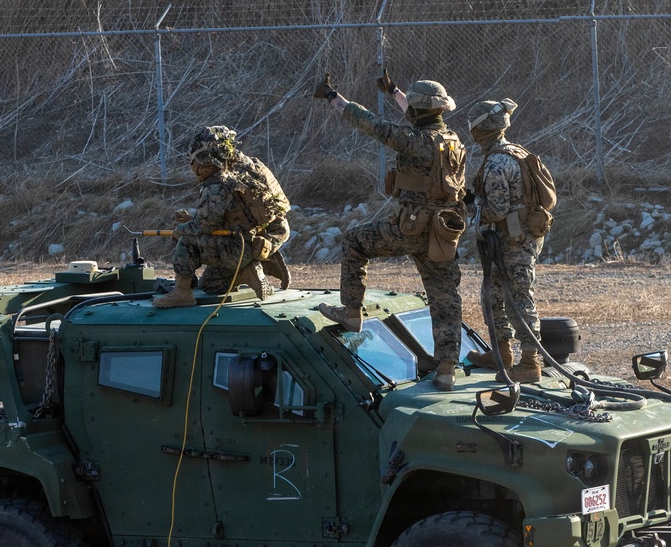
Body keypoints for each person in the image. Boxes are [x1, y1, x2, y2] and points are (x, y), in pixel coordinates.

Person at [312, 70, 467, 391]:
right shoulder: (452, 141)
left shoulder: (412, 141)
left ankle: (351, 312)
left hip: (409, 228)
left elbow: (369, 123)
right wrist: (394, 91)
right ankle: (447, 368)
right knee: (445, 298)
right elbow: (417, 117)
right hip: (442, 233)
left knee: (354, 241)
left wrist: (332, 97)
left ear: (418, 110)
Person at [152, 126, 292, 309]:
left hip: (234, 249)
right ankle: (247, 271)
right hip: (251, 246)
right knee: (209, 284)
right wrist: (269, 244)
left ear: (205, 159)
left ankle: (182, 292)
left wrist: (180, 230)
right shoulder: (251, 169)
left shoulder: (217, 184)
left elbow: (204, 225)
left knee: (186, 240)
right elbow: (272, 218)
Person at [464, 99, 544, 382]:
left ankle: (530, 363)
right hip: (512, 240)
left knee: (518, 299)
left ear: (481, 128)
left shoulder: (497, 162)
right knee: (493, 295)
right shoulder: (516, 152)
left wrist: (470, 205)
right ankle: (502, 352)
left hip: (513, 242)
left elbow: (496, 210)